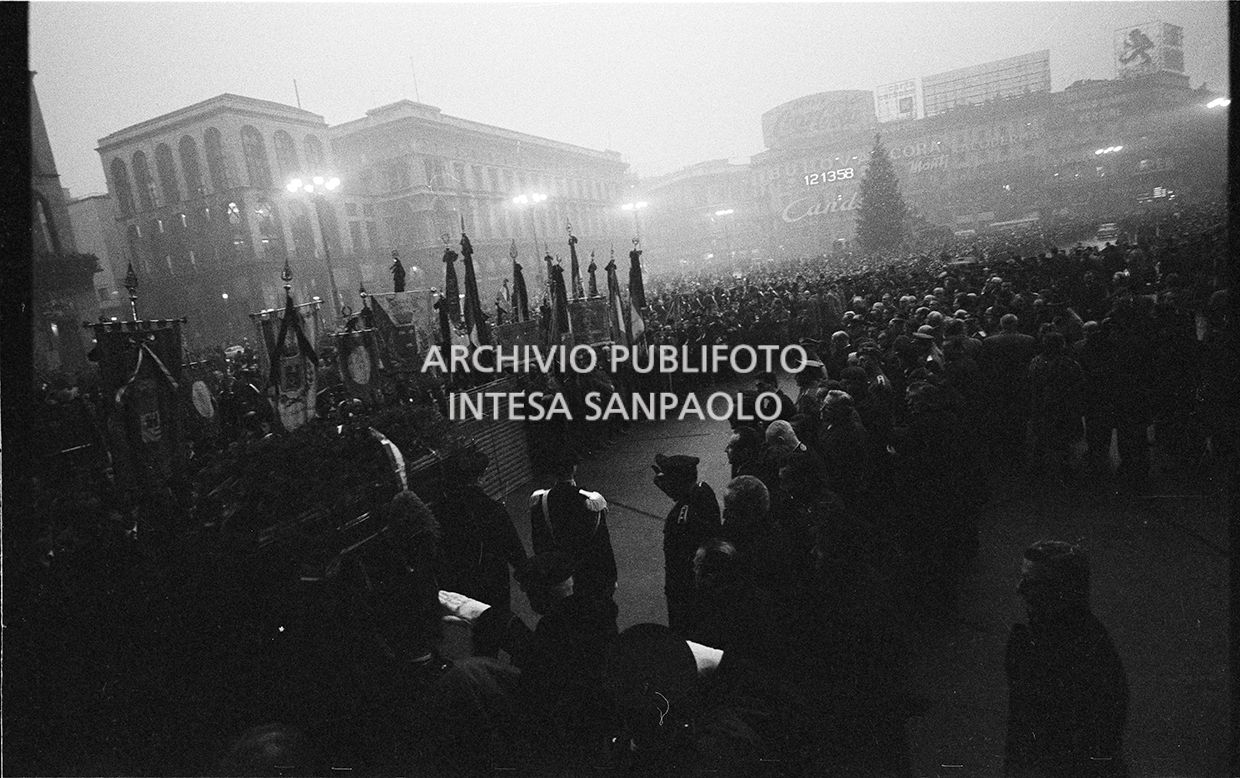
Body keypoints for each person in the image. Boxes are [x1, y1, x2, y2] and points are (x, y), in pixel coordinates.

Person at [1005, 541, 1128, 777]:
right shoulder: (1038, 641)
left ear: (1060, 591)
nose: (1019, 589)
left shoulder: (1084, 656)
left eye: (1032, 583)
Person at [435, 449, 528, 614]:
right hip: (492, 574)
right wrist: (525, 572)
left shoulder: (444, 507)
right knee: (498, 614)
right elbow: (512, 545)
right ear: (481, 476)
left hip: (463, 575)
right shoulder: (492, 508)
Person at [528, 452, 617, 601]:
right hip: (588, 573)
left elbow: (539, 542)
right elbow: (603, 545)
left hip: (558, 573)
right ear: (574, 469)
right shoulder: (591, 502)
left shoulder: (540, 501)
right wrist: (611, 576)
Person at [652, 454, 722, 635]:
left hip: (685, 593)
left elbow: (679, 562)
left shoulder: (681, 518)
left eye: (667, 479)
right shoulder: (703, 491)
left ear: (677, 482)